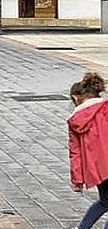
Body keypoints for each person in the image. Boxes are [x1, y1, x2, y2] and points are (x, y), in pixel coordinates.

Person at [68, 72, 108, 229]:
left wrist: (77, 179)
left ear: (75, 98)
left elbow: (75, 153)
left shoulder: (75, 121)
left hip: (98, 169)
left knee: (105, 201)